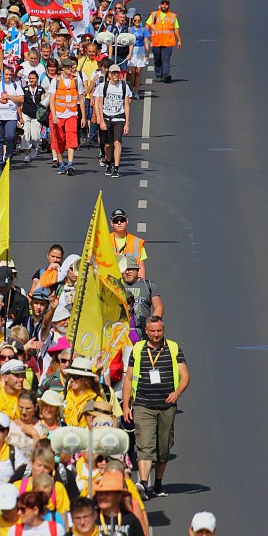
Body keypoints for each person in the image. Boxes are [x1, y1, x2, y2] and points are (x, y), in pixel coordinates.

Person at [122, 316, 190, 498]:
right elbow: (128, 379)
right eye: (152, 331)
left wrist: (177, 393)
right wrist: (126, 405)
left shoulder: (174, 348)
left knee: (163, 448)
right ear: (146, 331)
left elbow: (185, 375)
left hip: (166, 406)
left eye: (159, 330)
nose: (156, 334)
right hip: (143, 404)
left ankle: (158, 484)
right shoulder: (137, 350)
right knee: (145, 444)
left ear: (163, 329)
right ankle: (143, 483)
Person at [92, 64, 131, 178]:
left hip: (119, 118)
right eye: (113, 73)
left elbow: (127, 105)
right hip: (106, 117)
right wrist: (100, 119)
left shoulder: (124, 87)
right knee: (108, 145)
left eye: (117, 73)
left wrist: (127, 123)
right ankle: (108, 162)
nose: (115, 75)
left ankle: (116, 167)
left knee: (117, 142)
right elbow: (98, 103)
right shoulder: (103, 86)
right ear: (109, 74)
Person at [49, 58, 86, 176]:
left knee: (71, 136)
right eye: (68, 68)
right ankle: (61, 163)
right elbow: (51, 100)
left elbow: (81, 99)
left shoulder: (76, 80)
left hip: (72, 114)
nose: (70, 69)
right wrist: (54, 115)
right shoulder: (55, 81)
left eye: (71, 67)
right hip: (59, 114)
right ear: (62, 69)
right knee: (58, 140)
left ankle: (70, 163)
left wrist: (83, 116)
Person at [0, 61, 24, 170]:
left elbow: (21, 99)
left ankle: (8, 156)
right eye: (6, 74)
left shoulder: (15, 85)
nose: (8, 76)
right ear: (2, 75)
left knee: (11, 136)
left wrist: (10, 97)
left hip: (10, 115)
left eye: (9, 74)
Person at [121, 255, 164, 337]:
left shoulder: (149, 286)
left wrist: (152, 324)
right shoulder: (117, 285)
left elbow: (158, 307)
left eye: (130, 269)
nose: (127, 272)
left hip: (141, 330)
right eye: (125, 270)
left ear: (137, 270)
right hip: (121, 329)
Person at [146, 0, 181, 83]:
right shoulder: (154, 15)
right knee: (157, 59)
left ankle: (166, 75)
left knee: (165, 59)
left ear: (169, 6)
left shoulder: (172, 16)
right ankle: (159, 75)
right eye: (163, 4)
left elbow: (176, 28)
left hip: (168, 42)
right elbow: (147, 25)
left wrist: (179, 40)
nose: (165, 6)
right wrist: (146, 37)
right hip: (156, 42)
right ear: (160, 5)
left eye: (166, 4)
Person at [109, 208, 147, 277]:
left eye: (122, 220)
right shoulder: (105, 240)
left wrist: (141, 284)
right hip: (110, 281)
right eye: (116, 221)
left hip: (130, 283)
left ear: (127, 221)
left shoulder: (137, 242)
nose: (119, 223)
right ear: (111, 223)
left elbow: (141, 267)